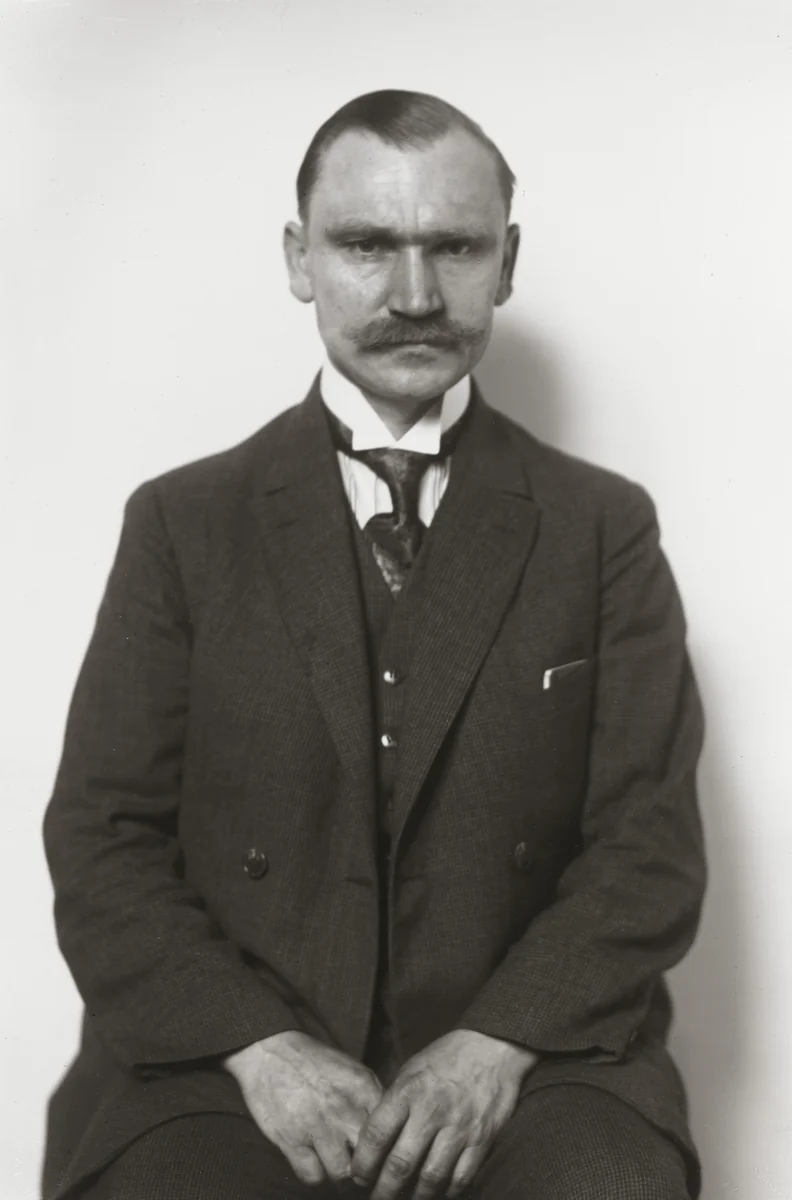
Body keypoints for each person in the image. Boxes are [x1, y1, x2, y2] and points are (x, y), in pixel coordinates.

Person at [42, 89, 706, 1200]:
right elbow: (103, 837)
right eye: (367, 245)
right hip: (228, 1057)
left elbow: (648, 849)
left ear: (507, 262)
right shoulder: (182, 523)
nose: (413, 294)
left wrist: (497, 1043)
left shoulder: (602, 526)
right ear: (301, 259)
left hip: (529, 1057)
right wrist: (260, 1050)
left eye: (454, 247)